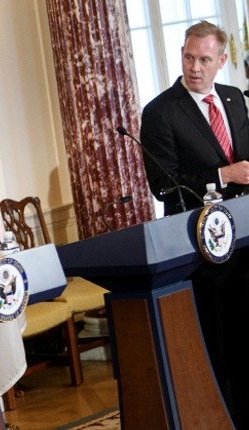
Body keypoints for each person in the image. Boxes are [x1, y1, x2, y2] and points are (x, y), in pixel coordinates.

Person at [139, 20, 249, 428]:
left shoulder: (235, 99)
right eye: (188, 57)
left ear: (221, 61)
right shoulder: (161, 112)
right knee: (220, 346)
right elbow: (163, 187)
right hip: (205, 250)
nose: (195, 67)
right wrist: (223, 176)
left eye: (205, 59)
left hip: (247, 241)